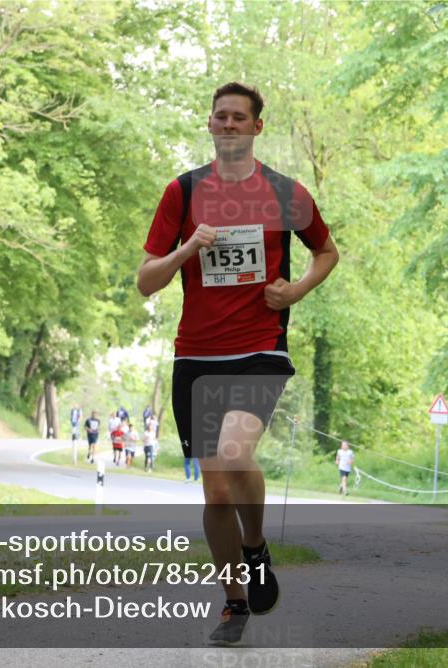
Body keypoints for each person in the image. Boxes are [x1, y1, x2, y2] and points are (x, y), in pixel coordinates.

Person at [137, 81, 339, 645]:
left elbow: (327, 251)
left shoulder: (284, 193)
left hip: (259, 349)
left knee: (234, 454)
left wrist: (296, 290)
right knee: (215, 492)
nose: (228, 125)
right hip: (196, 357)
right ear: (210, 125)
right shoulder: (182, 192)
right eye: (219, 117)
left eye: (238, 118)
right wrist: (186, 250)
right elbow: (145, 282)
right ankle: (234, 601)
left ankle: (255, 545)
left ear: (256, 127)